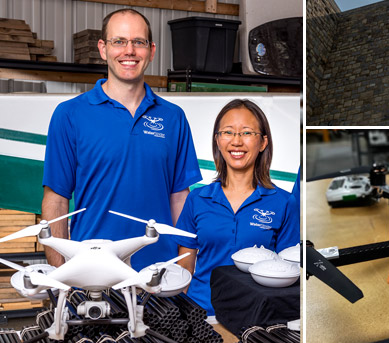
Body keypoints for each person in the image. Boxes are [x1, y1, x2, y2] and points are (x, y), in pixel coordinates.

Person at [42, 8, 202, 271]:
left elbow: (180, 201)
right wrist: (62, 277)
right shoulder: (70, 115)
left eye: (138, 42)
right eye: (119, 41)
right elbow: (56, 200)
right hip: (92, 275)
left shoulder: (173, 118)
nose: (129, 51)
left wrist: (182, 275)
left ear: (151, 51)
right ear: (103, 49)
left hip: (157, 275)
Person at [176, 99, 300, 320]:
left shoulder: (283, 203)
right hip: (200, 313)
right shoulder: (197, 199)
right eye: (228, 132)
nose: (236, 141)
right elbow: (185, 266)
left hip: (255, 319)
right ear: (217, 140)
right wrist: (180, 316)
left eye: (247, 133)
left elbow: (287, 272)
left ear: (263, 142)